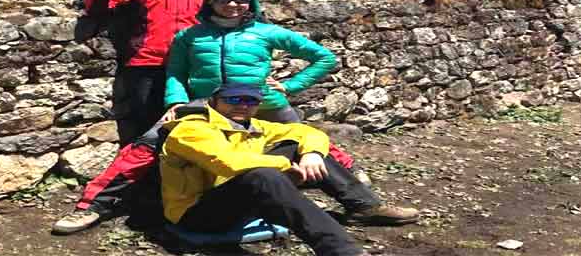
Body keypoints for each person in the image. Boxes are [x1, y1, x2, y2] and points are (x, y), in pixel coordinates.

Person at [160, 83, 419, 256]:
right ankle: (341, 250)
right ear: (214, 101)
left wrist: (311, 154)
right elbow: (229, 162)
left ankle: (364, 207)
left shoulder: (253, 125)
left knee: (303, 149)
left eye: (251, 101)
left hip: (238, 198)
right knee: (263, 175)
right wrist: (286, 165)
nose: (243, 105)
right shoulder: (192, 129)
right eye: (234, 99)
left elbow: (307, 131)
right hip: (197, 213)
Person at [163, 0, 359, 172]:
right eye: (223, 0)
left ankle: (349, 173)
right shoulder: (189, 35)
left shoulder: (266, 32)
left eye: (240, 0)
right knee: (158, 137)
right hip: (210, 104)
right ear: (211, 2)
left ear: (251, 4)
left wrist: (291, 86)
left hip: (264, 102)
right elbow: (176, 71)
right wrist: (176, 101)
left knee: (305, 138)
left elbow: (324, 57)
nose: (232, 5)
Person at [83, 0, 209, 146]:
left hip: (193, 63)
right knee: (147, 120)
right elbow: (98, 11)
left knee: (197, 119)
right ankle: (148, 163)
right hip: (146, 63)